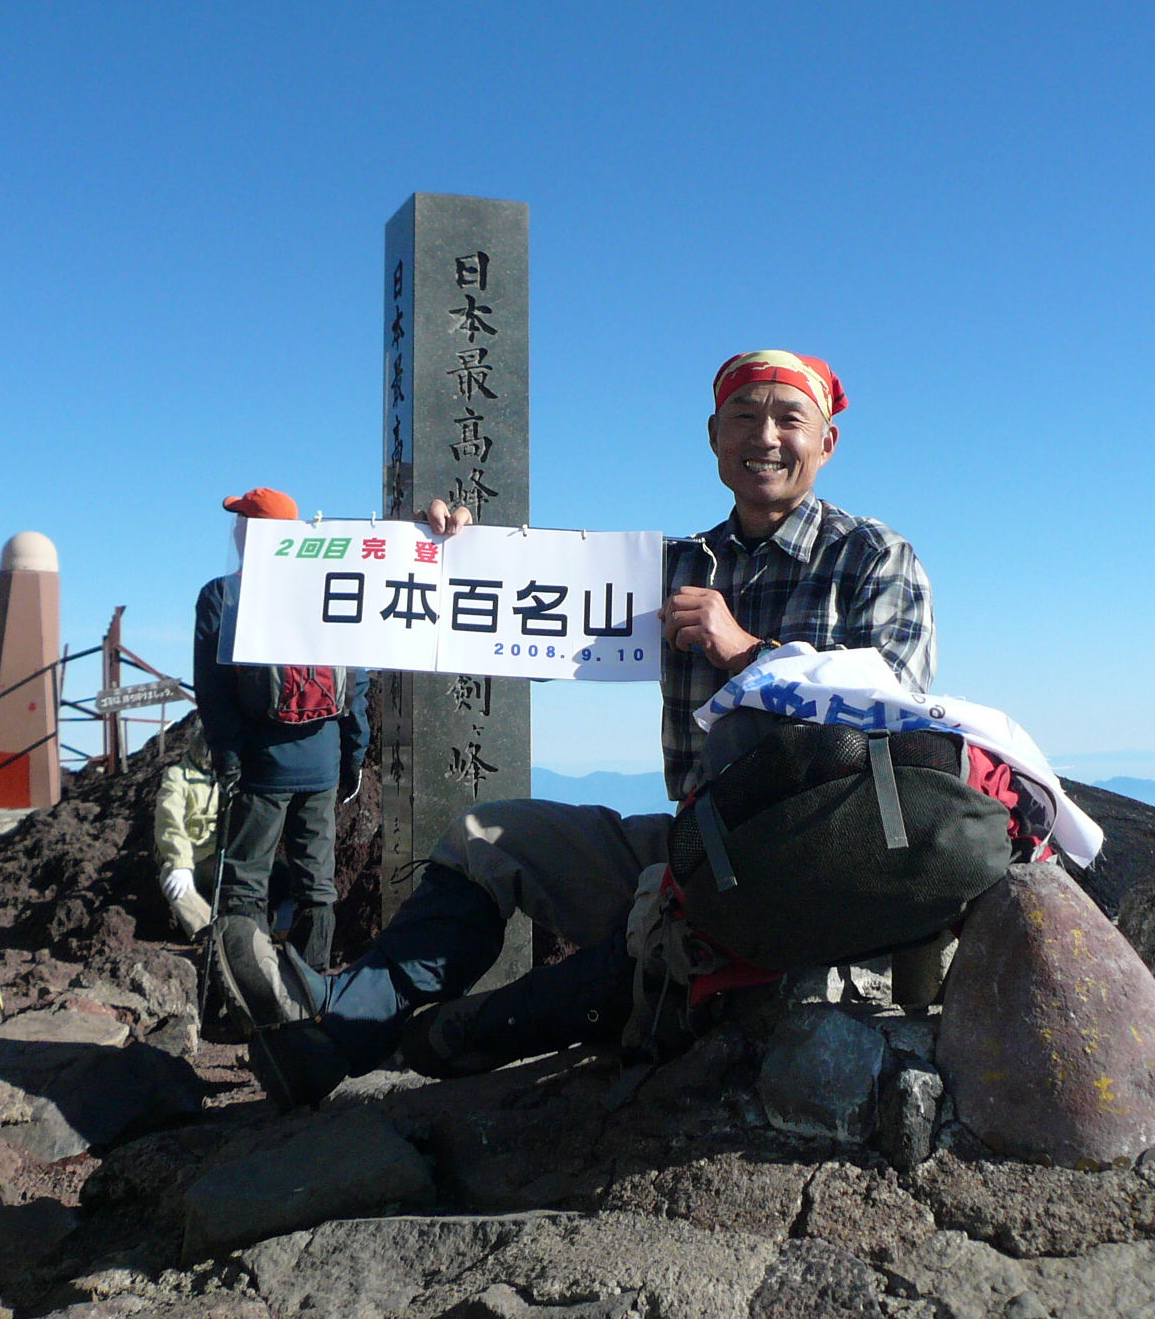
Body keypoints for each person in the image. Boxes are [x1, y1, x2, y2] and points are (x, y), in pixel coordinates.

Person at [216, 350, 937, 1110]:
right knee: (488, 840)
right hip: (694, 845)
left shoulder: (872, 559)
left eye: (790, 418)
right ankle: (334, 1039)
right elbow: (525, 613)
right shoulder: (677, 564)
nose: (766, 435)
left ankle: (441, 1034)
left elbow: (900, 717)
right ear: (714, 436)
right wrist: (447, 559)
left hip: (809, 868)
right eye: (743, 416)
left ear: (826, 444)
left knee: (630, 959)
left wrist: (749, 654)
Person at [194, 488, 371, 974]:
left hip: (259, 766)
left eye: (240, 521)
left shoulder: (222, 595)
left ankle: (246, 997)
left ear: (251, 533)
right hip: (323, 765)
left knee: (245, 883)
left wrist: (226, 756)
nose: (233, 529)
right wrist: (353, 756)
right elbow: (356, 682)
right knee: (317, 884)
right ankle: (307, 997)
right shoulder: (330, 587)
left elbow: (212, 691)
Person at [154, 728, 225, 940]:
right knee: (171, 875)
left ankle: (261, 929)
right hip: (194, 862)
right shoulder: (177, 777)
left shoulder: (232, 776)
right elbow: (169, 822)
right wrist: (181, 863)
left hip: (223, 859)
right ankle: (210, 933)